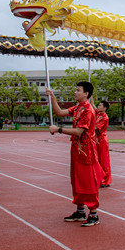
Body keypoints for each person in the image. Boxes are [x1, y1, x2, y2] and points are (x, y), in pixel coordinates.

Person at [47, 82, 104, 227]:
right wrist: (52, 97)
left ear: (86, 94)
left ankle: (93, 214)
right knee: (76, 180)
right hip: (76, 150)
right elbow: (59, 112)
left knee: (88, 181)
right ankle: (80, 211)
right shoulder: (78, 107)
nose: (75, 92)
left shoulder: (88, 110)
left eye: (78, 90)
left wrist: (59, 129)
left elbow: (79, 132)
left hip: (86, 152)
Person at [94, 101, 111, 188]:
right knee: (97, 160)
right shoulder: (98, 114)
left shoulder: (104, 117)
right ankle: (99, 179)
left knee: (104, 161)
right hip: (97, 140)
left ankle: (105, 181)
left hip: (102, 141)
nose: (98, 106)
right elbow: (92, 105)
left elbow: (95, 128)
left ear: (105, 108)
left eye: (100, 105)